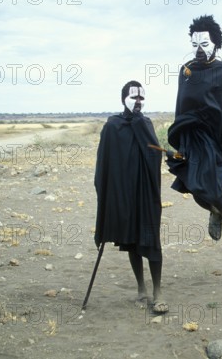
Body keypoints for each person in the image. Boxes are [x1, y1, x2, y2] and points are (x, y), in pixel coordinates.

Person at [167, 15, 222, 243]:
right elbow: (180, 105)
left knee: (211, 188)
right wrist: (180, 140)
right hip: (192, 137)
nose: (199, 50)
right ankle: (218, 211)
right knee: (193, 186)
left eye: (204, 44)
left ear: (216, 43)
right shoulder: (186, 71)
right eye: (194, 45)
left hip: (216, 139)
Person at [94, 80, 168, 313]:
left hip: (146, 193)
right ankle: (141, 288)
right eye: (133, 97)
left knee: (151, 241)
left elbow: (154, 154)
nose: (138, 101)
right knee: (132, 243)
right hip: (123, 194)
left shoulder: (146, 124)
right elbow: (103, 164)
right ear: (123, 98)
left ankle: (157, 292)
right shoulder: (112, 126)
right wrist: (106, 192)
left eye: (141, 98)